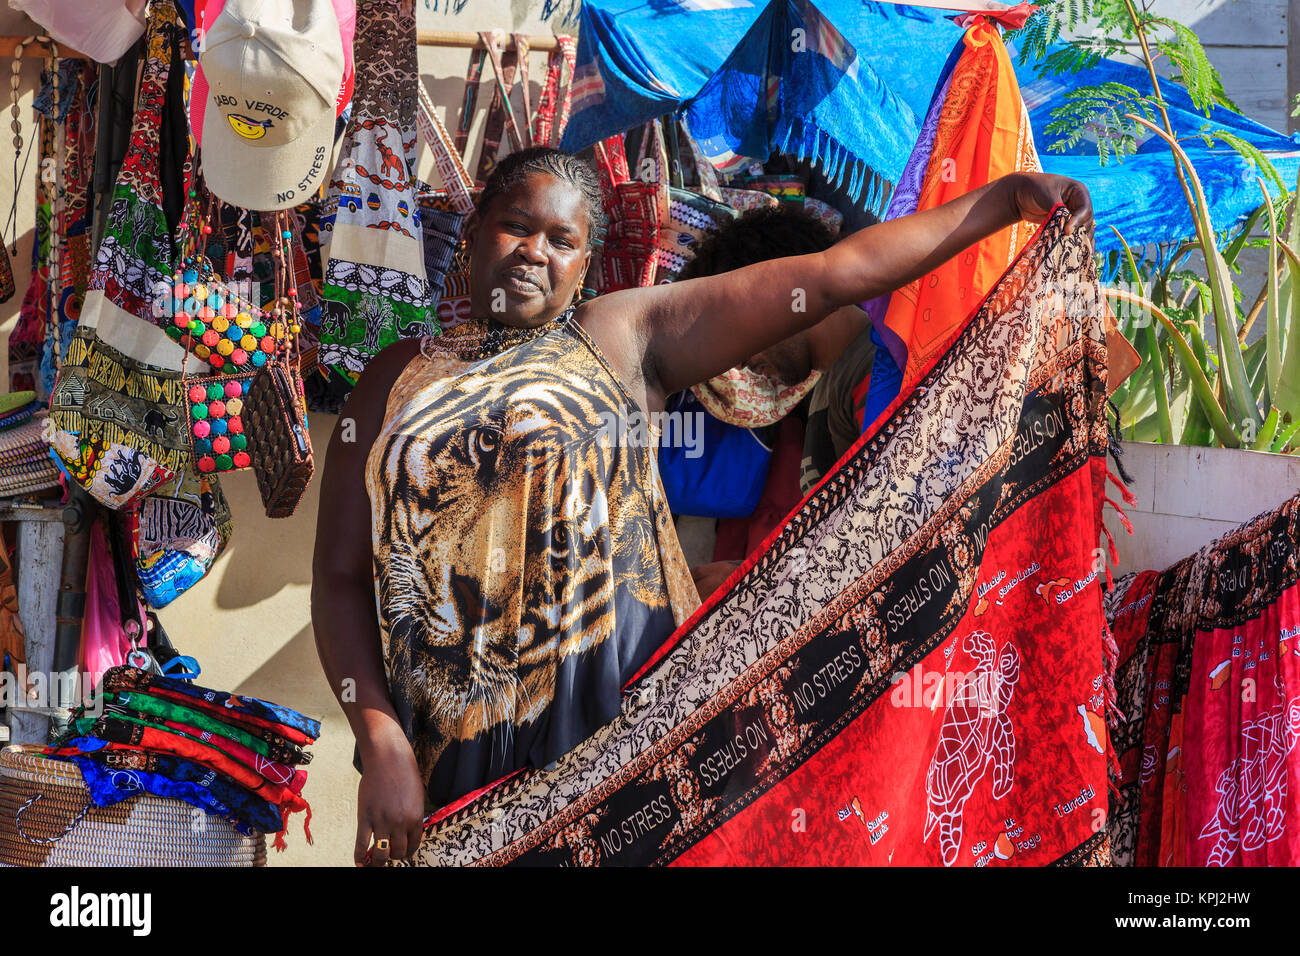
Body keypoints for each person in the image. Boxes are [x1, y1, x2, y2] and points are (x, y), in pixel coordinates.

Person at [310, 145, 1093, 865]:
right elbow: (341, 580)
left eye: (561, 241)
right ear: (477, 232)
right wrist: (379, 739)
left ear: (584, 266)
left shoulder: (622, 338)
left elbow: (830, 275)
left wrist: (1005, 200)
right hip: (448, 789)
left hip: (632, 778)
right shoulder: (392, 381)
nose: (533, 254)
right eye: (516, 226)